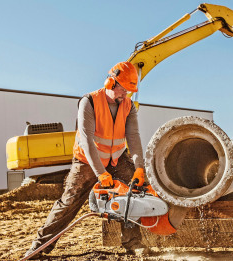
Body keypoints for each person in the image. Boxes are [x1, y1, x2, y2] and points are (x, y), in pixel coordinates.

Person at [24, 61, 149, 258]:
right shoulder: (89, 102)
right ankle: (39, 247)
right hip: (87, 160)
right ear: (110, 83)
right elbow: (87, 141)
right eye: (123, 90)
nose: (125, 95)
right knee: (69, 201)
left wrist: (139, 168)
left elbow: (133, 138)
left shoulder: (128, 106)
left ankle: (133, 243)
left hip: (116, 159)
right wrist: (101, 173)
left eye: (129, 92)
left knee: (133, 193)